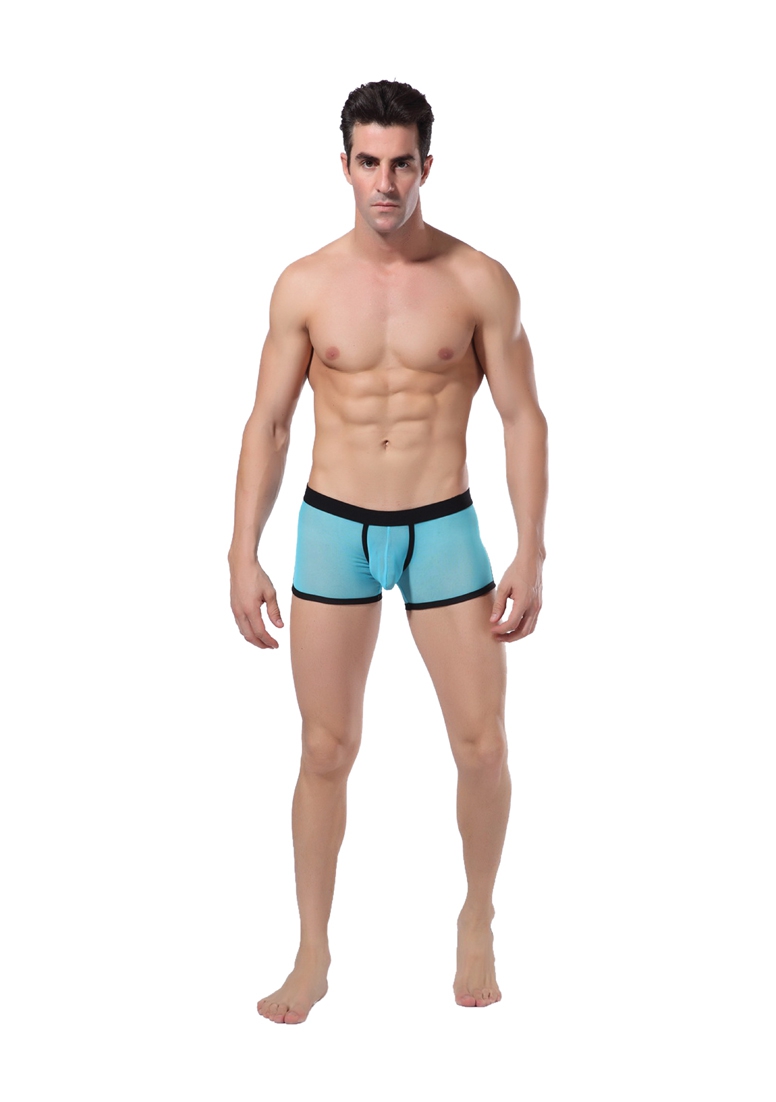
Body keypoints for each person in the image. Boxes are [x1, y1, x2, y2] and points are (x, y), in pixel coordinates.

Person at [228, 80, 548, 1024]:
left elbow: (523, 418)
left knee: (482, 744)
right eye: (368, 162)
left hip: (443, 527)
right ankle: (312, 951)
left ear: (426, 167)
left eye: (401, 163)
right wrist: (241, 550)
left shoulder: (478, 280)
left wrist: (532, 550)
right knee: (324, 748)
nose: (385, 181)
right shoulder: (305, 284)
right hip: (334, 529)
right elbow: (269, 422)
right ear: (344, 165)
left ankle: (478, 917)